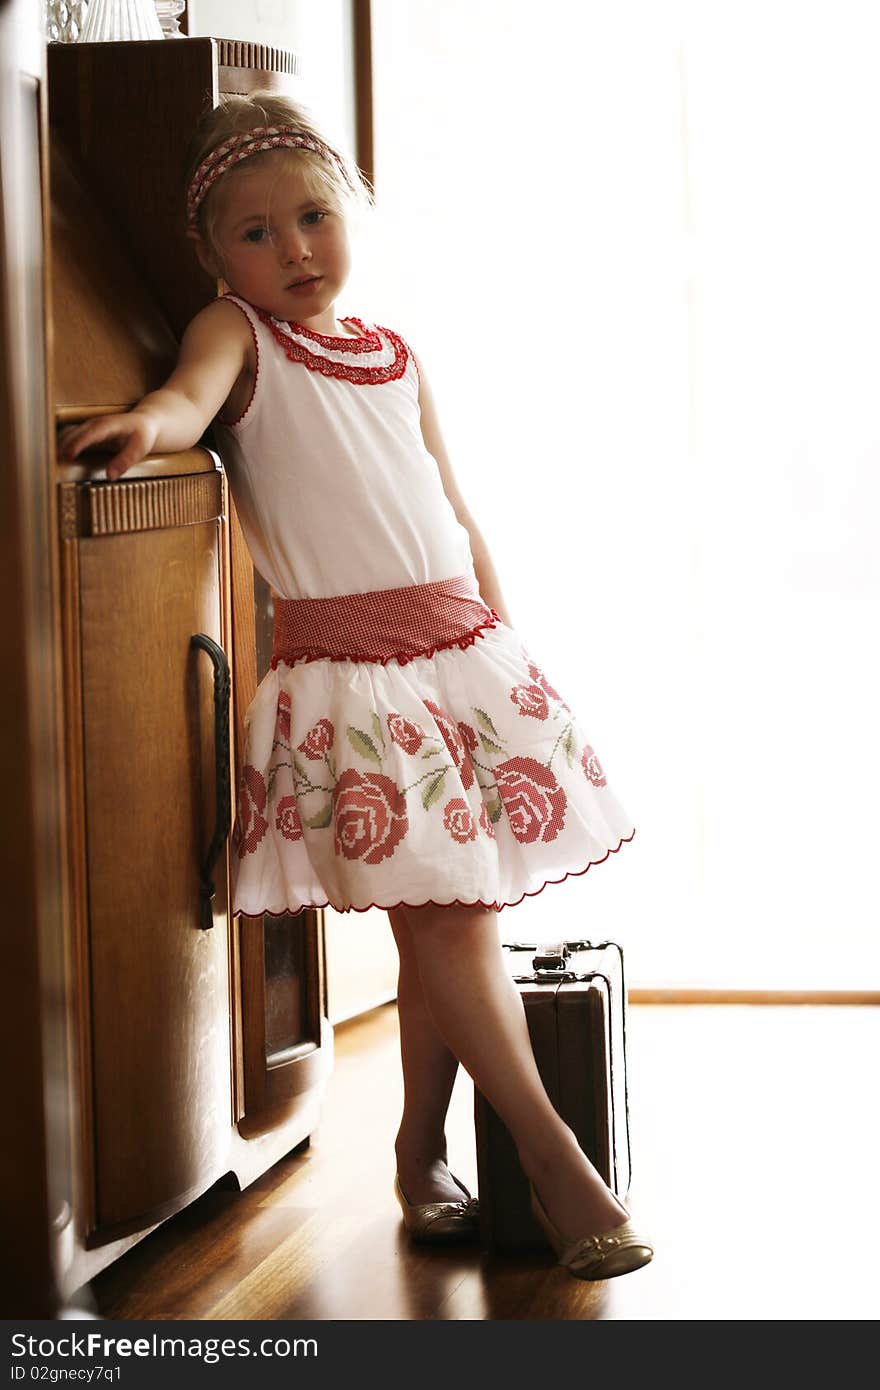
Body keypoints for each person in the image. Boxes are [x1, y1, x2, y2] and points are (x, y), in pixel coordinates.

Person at [58, 93, 652, 1283]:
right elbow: (186, 395)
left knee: (448, 919)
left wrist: (506, 647)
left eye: (315, 218)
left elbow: (451, 500)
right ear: (212, 254)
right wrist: (145, 424)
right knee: (447, 917)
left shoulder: (393, 351)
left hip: (461, 654)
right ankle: (550, 1158)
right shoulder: (236, 334)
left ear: (352, 215)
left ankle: (421, 1155)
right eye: (256, 232)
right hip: (356, 681)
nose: (294, 252)